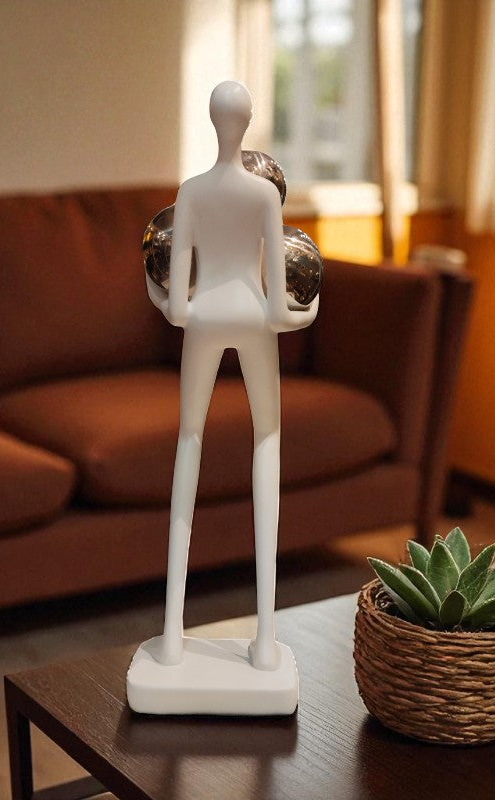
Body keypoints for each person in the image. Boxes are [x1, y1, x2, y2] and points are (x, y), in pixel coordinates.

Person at [146, 81, 318, 670]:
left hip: (205, 318)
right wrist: (309, 310)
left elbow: (175, 304)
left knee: (187, 442)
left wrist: (160, 292)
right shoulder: (264, 197)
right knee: (266, 438)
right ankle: (265, 640)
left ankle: (171, 636)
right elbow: (276, 306)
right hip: (251, 315)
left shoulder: (191, 192)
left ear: (211, 120)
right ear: (246, 124)